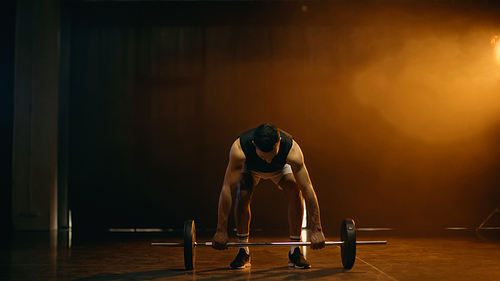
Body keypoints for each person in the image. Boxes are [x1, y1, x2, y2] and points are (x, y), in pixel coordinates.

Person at [212, 123, 326, 269]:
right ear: (254, 144)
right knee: (243, 191)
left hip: (280, 167)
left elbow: (308, 189)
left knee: (294, 189)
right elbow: (227, 188)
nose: (268, 161)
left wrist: (317, 229)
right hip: (251, 167)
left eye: (272, 155)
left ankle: (295, 251)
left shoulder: (292, 150)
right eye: (263, 157)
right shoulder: (239, 148)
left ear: (278, 142)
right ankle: (243, 251)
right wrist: (221, 230)